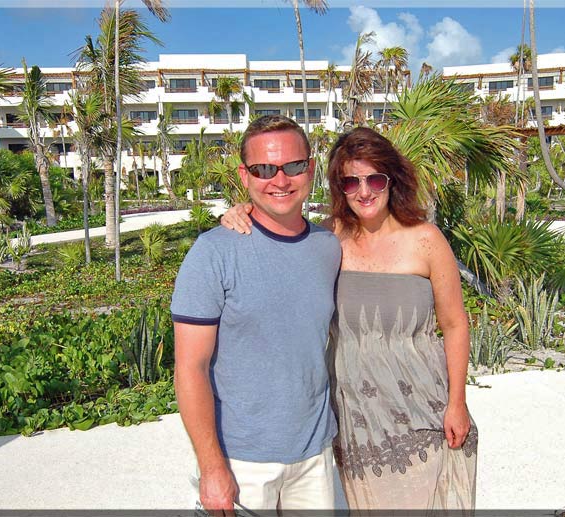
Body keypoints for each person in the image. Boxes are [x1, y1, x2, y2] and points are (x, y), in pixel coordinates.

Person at [221, 126, 477, 511]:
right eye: (351, 182)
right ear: (339, 188)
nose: (364, 191)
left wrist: (457, 402)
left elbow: (455, 324)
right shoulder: (328, 239)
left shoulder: (426, 239)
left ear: (392, 180)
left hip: (423, 408)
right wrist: (241, 213)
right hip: (355, 417)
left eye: (375, 179)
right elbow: (276, 236)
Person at [171, 115, 342, 516]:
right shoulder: (213, 252)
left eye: (292, 166)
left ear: (310, 168)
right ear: (244, 176)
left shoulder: (330, 246)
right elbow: (190, 368)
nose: (280, 180)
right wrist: (212, 467)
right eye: (264, 169)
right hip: (240, 462)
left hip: (315, 456)